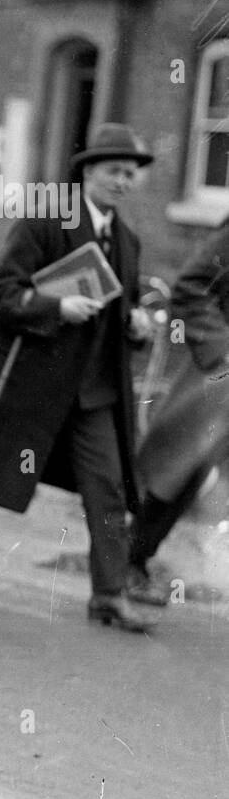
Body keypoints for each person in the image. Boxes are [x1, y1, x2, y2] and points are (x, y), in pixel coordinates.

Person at [0, 123, 159, 632]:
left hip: (93, 394)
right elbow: (0, 295)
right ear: (89, 171)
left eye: (131, 174)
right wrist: (56, 307)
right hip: (32, 383)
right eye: (115, 171)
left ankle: (108, 596)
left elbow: (119, 312)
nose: (123, 181)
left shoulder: (127, 242)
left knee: (107, 488)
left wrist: (136, 325)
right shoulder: (48, 219)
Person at [128, 217, 229, 601]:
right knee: (180, 469)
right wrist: (222, 351)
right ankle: (129, 559)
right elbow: (191, 287)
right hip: (222, 379)